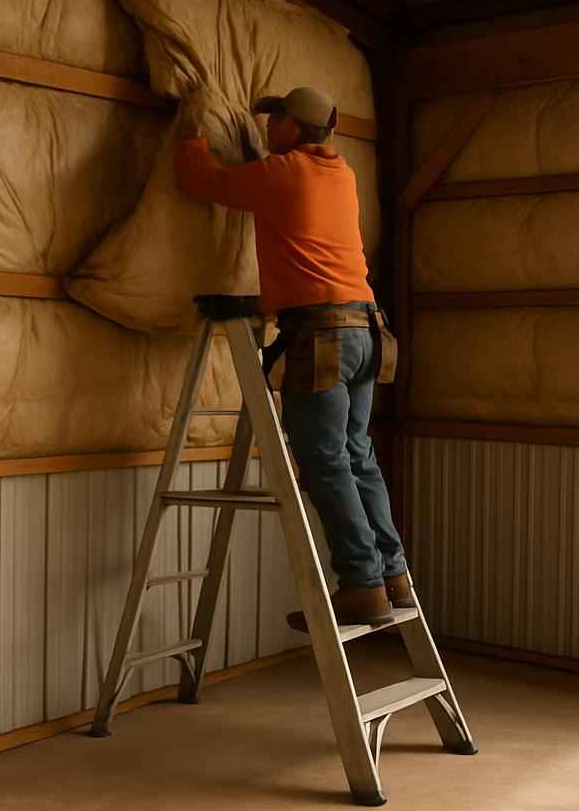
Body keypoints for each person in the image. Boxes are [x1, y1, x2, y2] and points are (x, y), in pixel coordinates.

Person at [174, 85, 411, 629]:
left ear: (294, 127)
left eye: (275, 117)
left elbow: (203, 181)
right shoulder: (341, 174)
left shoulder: (281, 174)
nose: (266, 126)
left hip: (323, 338)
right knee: (357, 454)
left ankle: (362, 584)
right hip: (367, 330)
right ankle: (393, 575)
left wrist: (188, 135)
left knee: (324, 458)